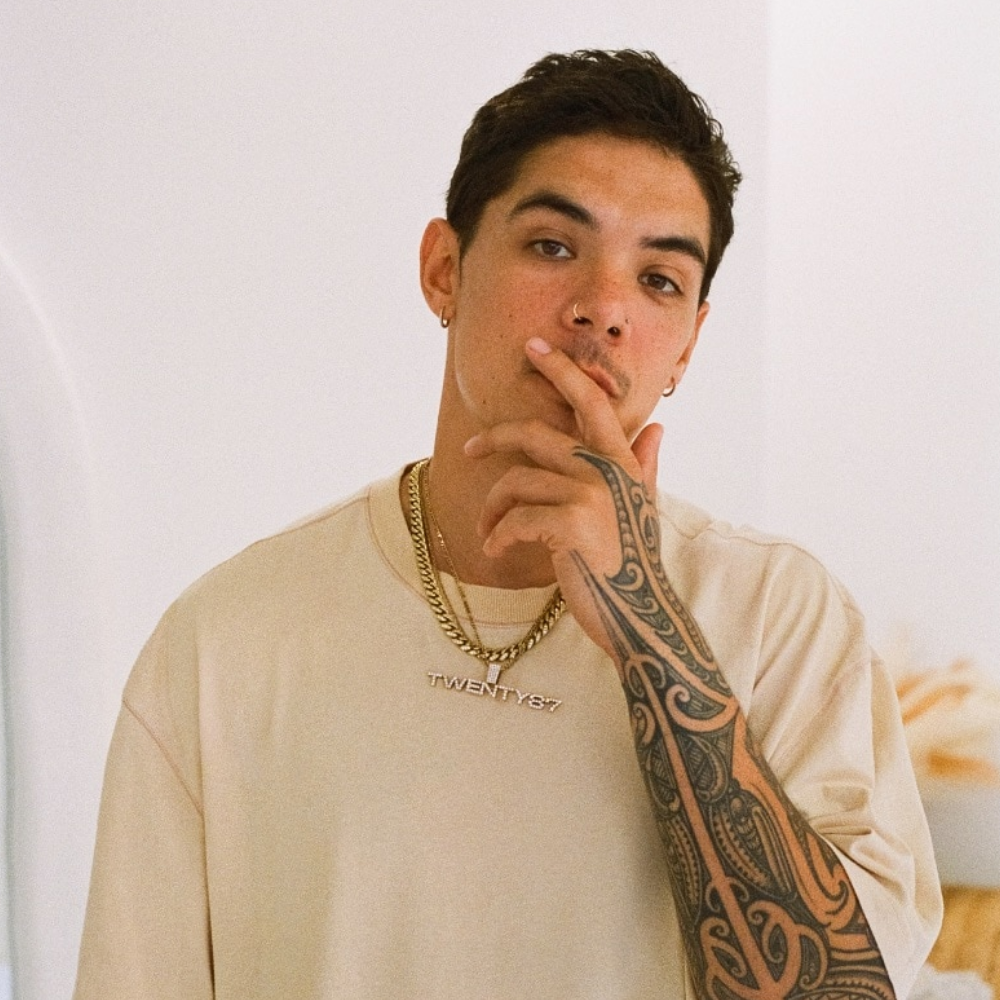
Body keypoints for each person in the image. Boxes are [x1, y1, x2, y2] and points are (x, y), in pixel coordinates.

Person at [74, 50, 941, 999]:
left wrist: (649, 629)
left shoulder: (782, 617)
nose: (602, 310)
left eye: (659, 279)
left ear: (689, 343)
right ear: (443, 271)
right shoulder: (225, 640)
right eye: (554, 247)